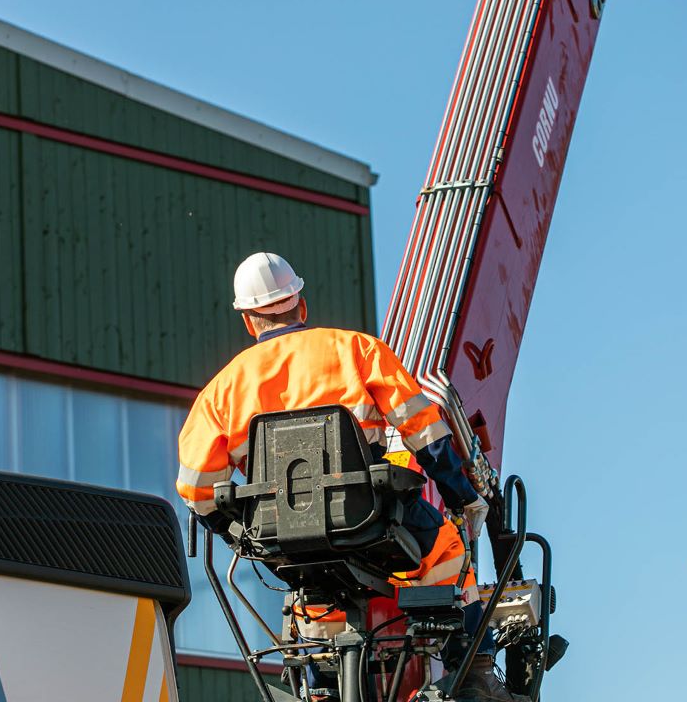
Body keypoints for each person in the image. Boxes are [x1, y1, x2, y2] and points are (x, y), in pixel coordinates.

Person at [176, 252, 527, 702]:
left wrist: (244, 532)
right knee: (447, 549)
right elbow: (424, 430)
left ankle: (321, 688)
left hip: (285, 537)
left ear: (248, 321)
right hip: (371, 518)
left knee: (314, 584)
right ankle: (474, 671)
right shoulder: (357, 351)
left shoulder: (222, 390)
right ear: (300, 306)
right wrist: (463, 497)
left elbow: (195, 487)